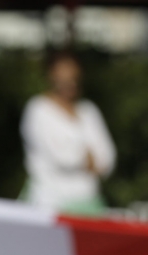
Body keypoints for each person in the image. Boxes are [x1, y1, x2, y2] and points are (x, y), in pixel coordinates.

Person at [20, 52, 116, 213]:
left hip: (89, 203)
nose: (69, 82)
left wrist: (85, 158)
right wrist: (88, 157)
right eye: (63, 76)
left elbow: (107, 159)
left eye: (73, 77)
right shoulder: (38, 109)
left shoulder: (89, 111)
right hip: (50, 203)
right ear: (51, 75)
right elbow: (63, 157)